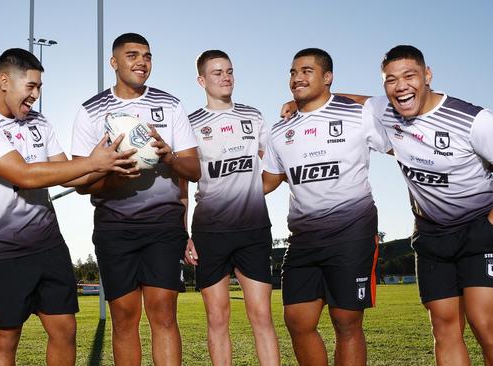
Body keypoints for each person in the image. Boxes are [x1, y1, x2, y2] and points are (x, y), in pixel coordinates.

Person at [0, 48, 135, 366]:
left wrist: (112, 168)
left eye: (40, 88)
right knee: (5, 339)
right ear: (4, 81)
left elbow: (68, 175)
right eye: (31, 86)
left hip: (48, 245)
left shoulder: (39, 121)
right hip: (1, 251)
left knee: (65, 329)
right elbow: (25, 176)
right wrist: (94, 163)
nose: (36, 96)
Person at [71, 33, 200, 366]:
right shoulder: (91, 111)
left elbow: (195, 169)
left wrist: (169, 157)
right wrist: (113, 174)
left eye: (147, 55)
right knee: (124, 319)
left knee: (164, 315)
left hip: (163, 226)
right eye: (132, 55)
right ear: (114, 63)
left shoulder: (170, 104)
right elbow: (81, 182)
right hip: (115, 226)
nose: (141, 61)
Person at [262, 48, 390, 365]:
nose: (297, 78)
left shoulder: (357, 115)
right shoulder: (279, 131)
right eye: (293, 72)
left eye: (307, 71)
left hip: (352, 235)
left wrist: (335, 96)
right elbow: (269, 180)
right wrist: (221, 188)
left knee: (346, 323)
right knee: (297, 319)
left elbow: (392, 106)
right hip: (303, 240)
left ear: (327, 77)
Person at [368, 45, 493, 365]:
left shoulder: (473, 120)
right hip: (431, 236)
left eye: (409, 76)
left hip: (480, 230)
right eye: (390, 80)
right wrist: (300, 103)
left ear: (427, 75)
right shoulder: (385, 111)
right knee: (444, 327)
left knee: (486, 323)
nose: (400, 86)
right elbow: (356, 103)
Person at [182, 49, 280, 365]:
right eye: (217, 72)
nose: (225, 77)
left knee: (262, 317)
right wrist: (184, 234)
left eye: (229, 71)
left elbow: (276, 168)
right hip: (210, 232)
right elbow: (181, 184)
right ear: (201, 80)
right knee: (217, 319)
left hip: (253, 231)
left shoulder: (253, 117)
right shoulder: (190, 124)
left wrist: (248, 193)